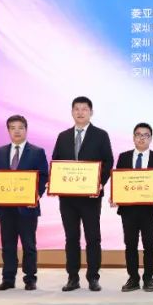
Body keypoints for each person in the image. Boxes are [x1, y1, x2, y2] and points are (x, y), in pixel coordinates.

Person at [50, 96, 114, 292]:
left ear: (91, 112)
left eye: (84, 109)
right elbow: (56, 161)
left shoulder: (101, 135)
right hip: (68, 198)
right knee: (71, 237)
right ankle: (72, 277)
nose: (80, 112)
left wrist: (99, 184)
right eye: (76, 109)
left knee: (93, 237)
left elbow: (108, 161)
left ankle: (93, 277)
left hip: (90, 197)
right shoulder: (62, 136)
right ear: (72, 112)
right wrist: (54, 181)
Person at [0, 115, 48, 291]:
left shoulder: (37, 152)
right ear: (8, 130)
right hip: (6, 208)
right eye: (12, 128)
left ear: (26, 130)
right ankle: (8, 279)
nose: (17, 131)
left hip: (28, 207)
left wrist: (36, 195)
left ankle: (30, 279)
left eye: (20, 127)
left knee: (29, 245)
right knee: (8, 245)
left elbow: (43, 176)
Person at [114, 122, 153, 293]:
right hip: (128, 209)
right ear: (133, 137)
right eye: (138, 135)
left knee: (149, 244)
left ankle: (148, 278)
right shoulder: (123, 157)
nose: (142, 138)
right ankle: (133, 278)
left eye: (146, 135)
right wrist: (116, 196)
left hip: (149, 209)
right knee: (130, 244)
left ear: (151, 138)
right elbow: (119, 181)